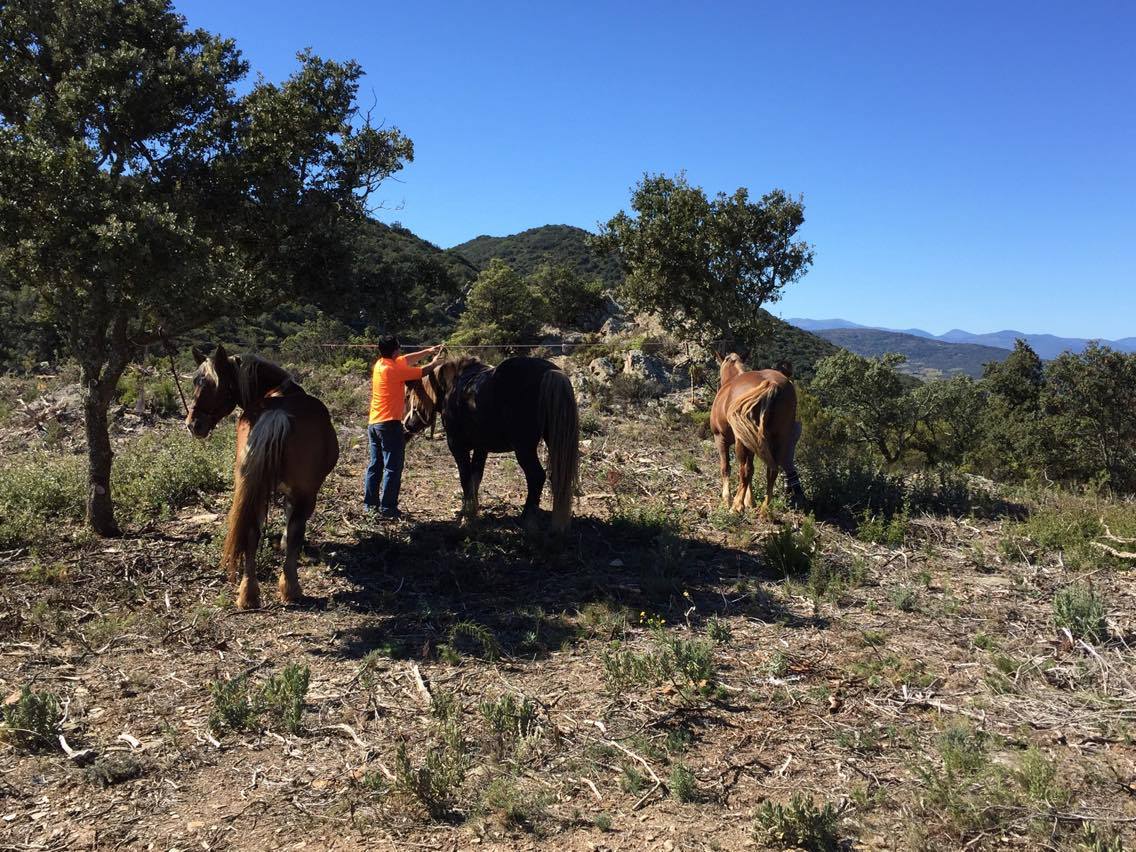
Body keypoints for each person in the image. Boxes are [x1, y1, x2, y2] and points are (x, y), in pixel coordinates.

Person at [364, 336, 444, 519]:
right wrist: (434, 362)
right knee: (393, 467)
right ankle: (388, 508)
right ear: (395, 351)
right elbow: (422, 371)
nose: (400, 352)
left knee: (375, 465)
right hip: (389, 424)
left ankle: (370, 506)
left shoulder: (381, 364)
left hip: (374, 423)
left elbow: (407, 359)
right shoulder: (394, 370)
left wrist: (428, 351)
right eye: (398, 348)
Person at [775, 359, 808, 511]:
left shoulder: (785, 386)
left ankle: (799, 494)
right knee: (784, 460)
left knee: (786, 461)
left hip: (790, 427)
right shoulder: (790, 385)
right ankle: (789, 492)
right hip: (794, 426)